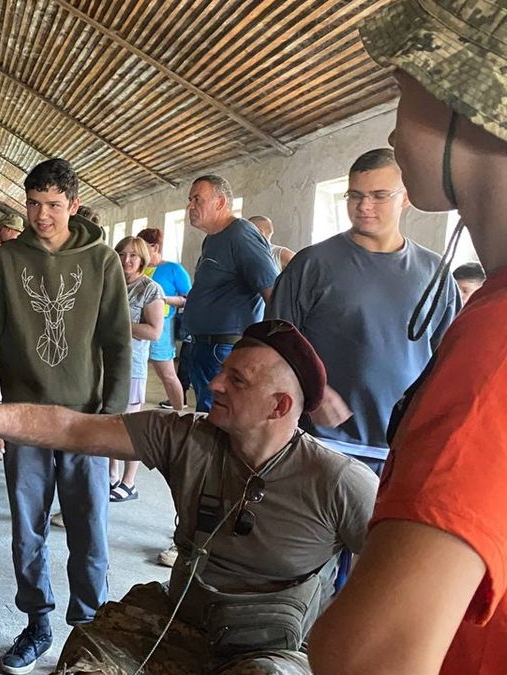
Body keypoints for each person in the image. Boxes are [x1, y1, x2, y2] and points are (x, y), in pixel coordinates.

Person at [0, 319, 377, 675]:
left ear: (278, 406)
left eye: (236, 380)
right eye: (222, 372)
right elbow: (72, 427)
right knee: (87, 657)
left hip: (271, 650)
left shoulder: (338, 481)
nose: (215, 384)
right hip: (178, 620)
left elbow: (394, 587)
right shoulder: (185, 436)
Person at [308, 2, 507, 673]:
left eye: (403, 91)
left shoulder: (496, 347)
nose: (394, 132)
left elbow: (365, 658)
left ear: (472, 105)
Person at [0, 158, 132, 675]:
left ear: (74, 206)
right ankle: (38, 622)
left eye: (54, 206)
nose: (42, 216)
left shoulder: (102, 261)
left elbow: (117, 340)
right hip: (24, 419)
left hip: (85, 420)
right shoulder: (3, 263)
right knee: (28, 529)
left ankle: (89, 631)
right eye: (34, 204)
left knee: (90, 528)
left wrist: (113, 419)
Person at [268, 149, 457, 475]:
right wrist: (314, 393)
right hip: (322, 442)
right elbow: (273, 341)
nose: (364, 206)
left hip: (402, 445)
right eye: (355, 195)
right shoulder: (313, 265)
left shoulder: (435, 272)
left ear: (405, 197)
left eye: (379, 196)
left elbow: (452, 358)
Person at [181, 176, 280, 412]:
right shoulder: (212, 239)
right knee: (206, 414)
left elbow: (272, 290)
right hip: (204, 346)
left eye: (197, 199)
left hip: (222, 348)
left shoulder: (241, 235)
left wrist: (271, 349)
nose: (190, 206)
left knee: (219, 414)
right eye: (189, 200)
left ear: (220, 202)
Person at [108, 236, 164, 503]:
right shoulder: (110, 283)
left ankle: (129, 481)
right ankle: (111, 472)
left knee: (130, 425)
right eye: (121, 254)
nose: (126, 260)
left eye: (132, 255)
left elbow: (154, 332)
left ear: (142, 258)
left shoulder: (150, 289)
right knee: (108, 420)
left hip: (132, 366)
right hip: (106, 362)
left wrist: (120, 324)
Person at [136, 227, 192, 414]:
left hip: (162, 323)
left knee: (166, 373)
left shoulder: (173, 269)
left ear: (155, 247)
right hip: (138, 323)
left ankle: (179, 409)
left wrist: (162, 299)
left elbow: (187, 298)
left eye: (143, 246)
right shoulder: (139, 267)